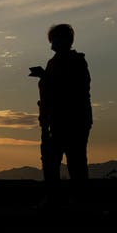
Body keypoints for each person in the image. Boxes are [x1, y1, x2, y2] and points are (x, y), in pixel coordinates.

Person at [29, 23, 92, 205]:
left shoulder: (77, 62)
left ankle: (79, 200)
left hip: (74, 120)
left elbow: (75, 89)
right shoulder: (53, 63)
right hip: (53, 120)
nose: (52, 44)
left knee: (75, 161)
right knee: (51, 160)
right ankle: (54, 197)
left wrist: (47, 79)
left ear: (64, 40)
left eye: (54, 40)